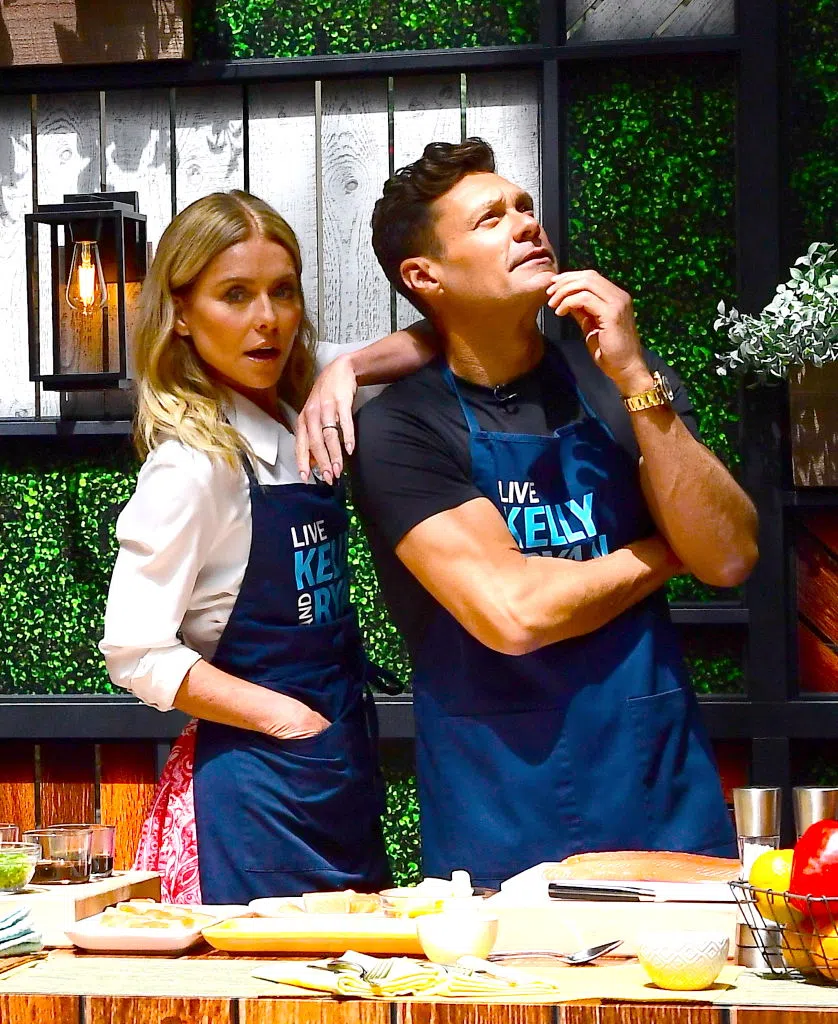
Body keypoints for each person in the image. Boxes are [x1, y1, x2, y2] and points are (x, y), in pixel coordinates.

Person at [299, 139, 760, 889]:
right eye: (490, 219)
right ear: (424, 276)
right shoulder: (401, 429)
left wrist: (635, 377)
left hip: (656, 783)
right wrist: (668, 550)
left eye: (525, 207)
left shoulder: (618, 378)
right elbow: (514, 613)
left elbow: (731, 554)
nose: (525, 224)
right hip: (502, 807)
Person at [100, 190, 433, 904]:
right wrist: (288, 720)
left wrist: (346, 371)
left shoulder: (301, 405)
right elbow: (134, 652)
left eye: (283, 291)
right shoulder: (193, 465)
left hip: (338, 774)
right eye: (234, 295)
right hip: (254, 798)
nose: (267, 319)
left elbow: (439, 339)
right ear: (181, 313)